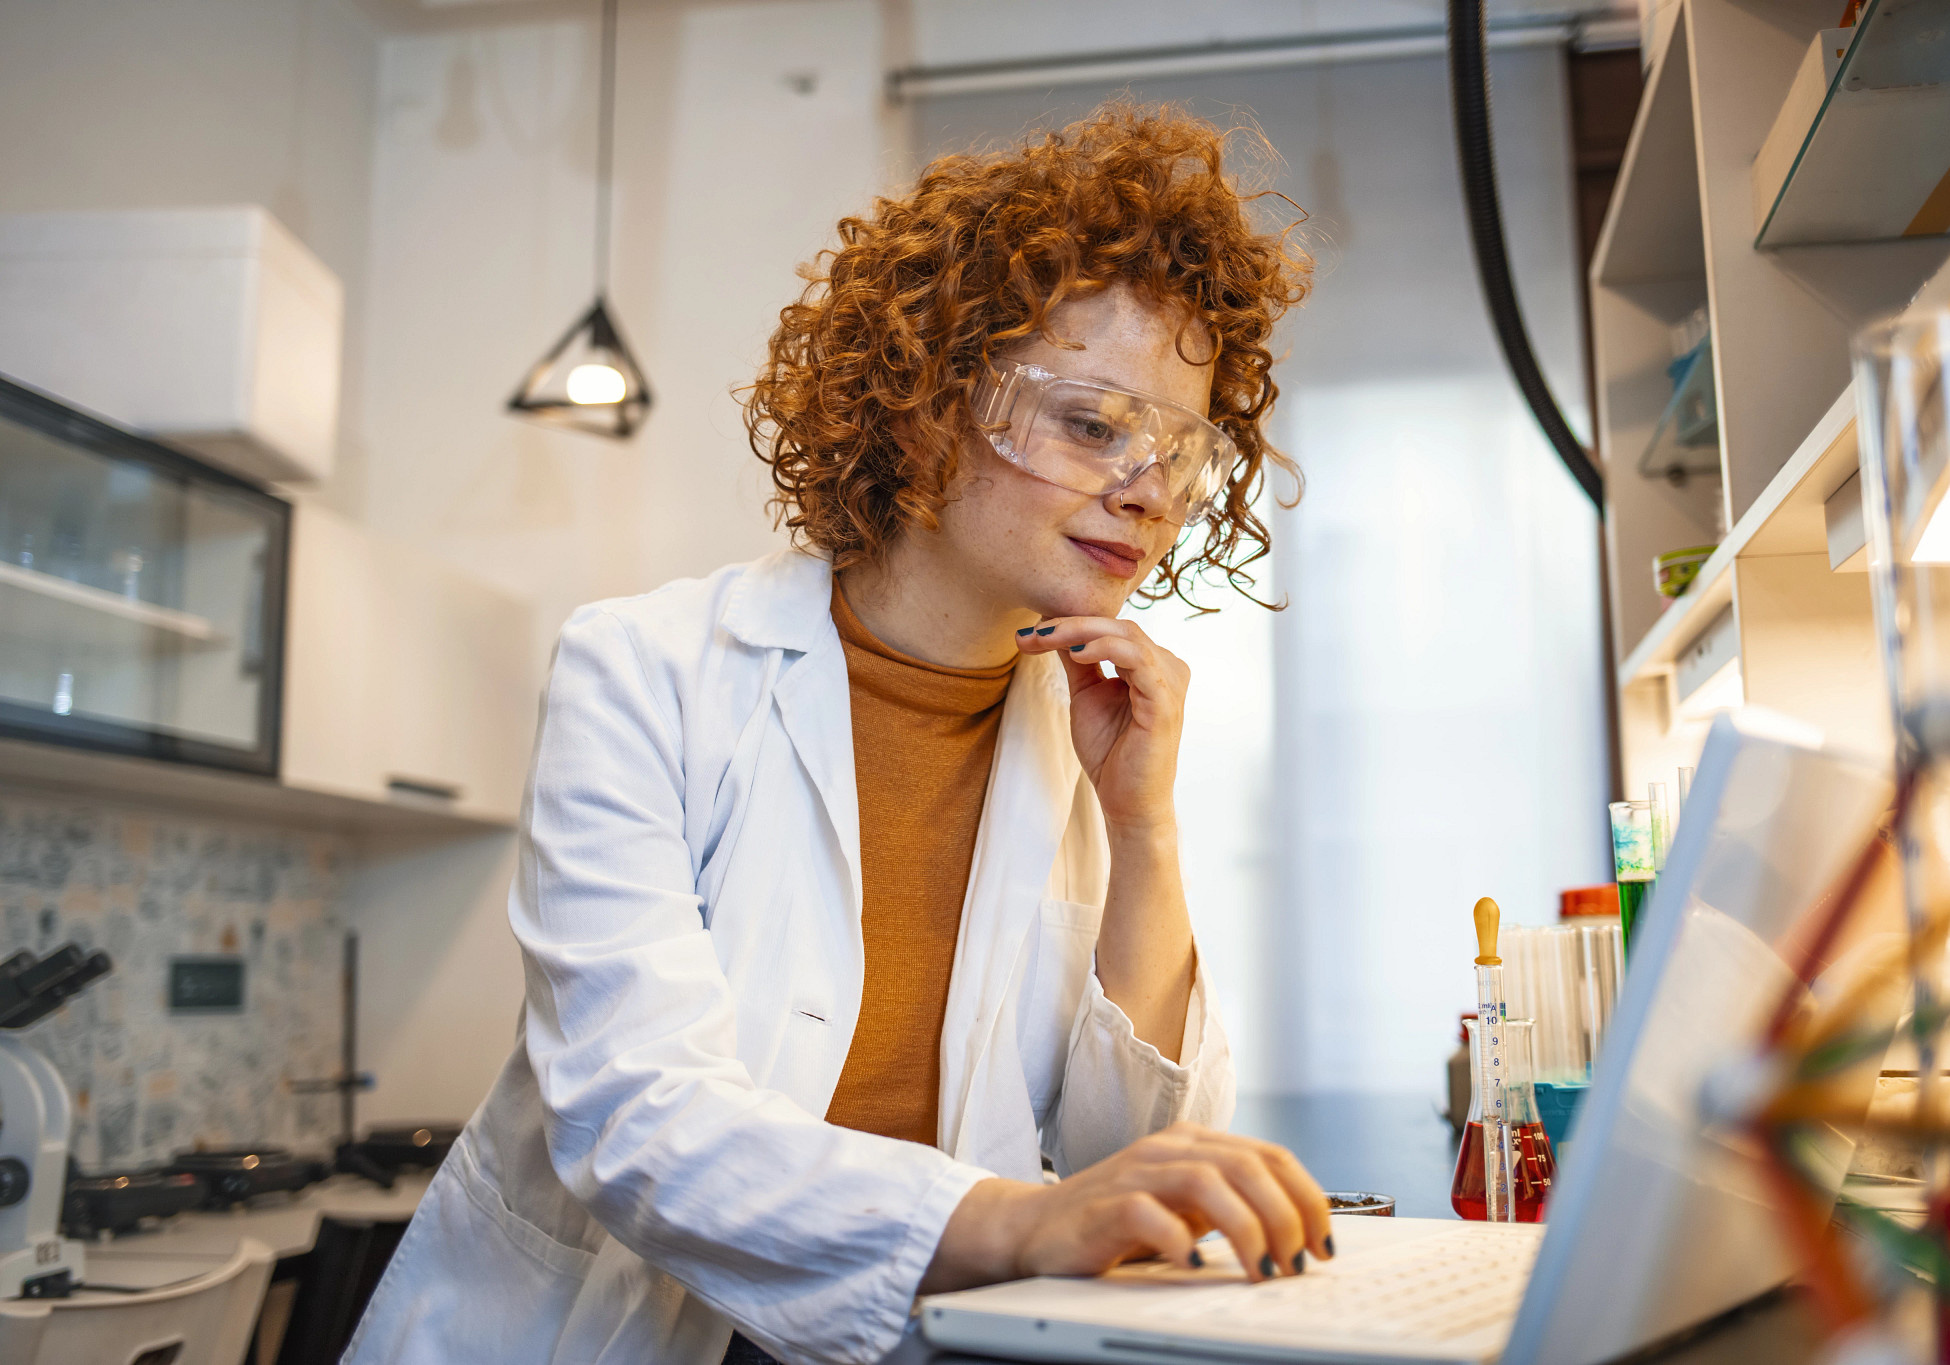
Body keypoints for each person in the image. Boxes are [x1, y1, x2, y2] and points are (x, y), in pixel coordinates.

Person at [344, 103, 1325, 1365]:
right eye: (1091, 425)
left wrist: (1143, 824)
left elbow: (1116, 1171)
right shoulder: (645, 670)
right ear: (924, 400)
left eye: (1177, 452)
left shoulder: (1086, 733)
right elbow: (634, 1119)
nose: (1144, 491)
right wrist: (1019, 1228)